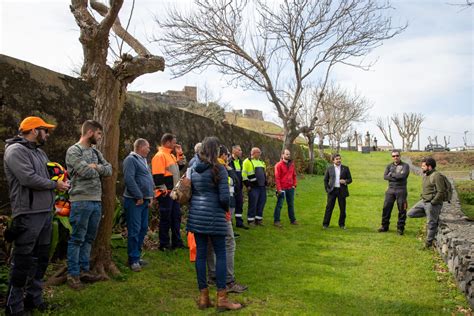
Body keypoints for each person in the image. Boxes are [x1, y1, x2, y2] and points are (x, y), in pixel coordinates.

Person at [4, 116, 70, 315]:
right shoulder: (15, 151)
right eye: (45, 130)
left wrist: (62, 179)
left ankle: (34, 299)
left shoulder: (40, 153)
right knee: (23, 260)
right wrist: (54, 184)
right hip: (27, 214)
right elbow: (27, 178)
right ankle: (13, 307)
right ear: (34, 131)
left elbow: (50, 174)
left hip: (45, 213)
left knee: (41, 259)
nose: (47, 134)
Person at [187, 137, 242, 311]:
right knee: (221, 254)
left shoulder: (194, 169)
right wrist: (225, 210)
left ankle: (203, 297)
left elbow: (191, 193)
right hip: (215, 216)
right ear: (215, 151)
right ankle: (222, 297)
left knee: (201, 256)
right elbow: (225, 197)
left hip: (197, 216)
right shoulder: (219, 168)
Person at [65, 120, 112, 290]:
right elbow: (84, 171)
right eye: (99, 134)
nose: (100, 137)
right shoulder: (74, 151)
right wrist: (95, 168)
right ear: (90, 132)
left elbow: (109, 170)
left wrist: (95, 167)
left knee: (89, 238)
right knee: (77, 238)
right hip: (80, 200)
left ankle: (84, 271)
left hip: (96, 201)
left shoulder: (95, 152)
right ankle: (73, 274)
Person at [207, 145, 248, 294]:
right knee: (228, 243)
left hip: (204, 212)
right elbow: (229, 188)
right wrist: (226, 211)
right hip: (220, 211)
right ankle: (228, 281)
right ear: (222, 155)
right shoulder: (221, 168)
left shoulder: (198, 166)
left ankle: (212, 276)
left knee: (210, 243)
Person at [123, 138, 154, 272]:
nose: (149, 149)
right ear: (140, 147)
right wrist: (139, 196)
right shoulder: (131, 160)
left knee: (142, 229)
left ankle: (137, 255)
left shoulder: (143, 160)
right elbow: (129, 179)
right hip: (134, 200)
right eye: (147, 147)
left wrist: (150, 196)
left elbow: (148, 178)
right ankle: (133, 259)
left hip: (144, 201)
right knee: (134, 230)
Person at [151, 133, 185, 251]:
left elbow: (180, 166)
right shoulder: (160, 156)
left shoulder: (170, 155)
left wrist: (179, 153)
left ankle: (177, 242)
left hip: (173, 193)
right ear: (167, 142)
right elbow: (157, 176)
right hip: (166, 194)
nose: (175, 144)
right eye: (174, 142)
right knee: (166, 219)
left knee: (176, 217)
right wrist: (163, 191)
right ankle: (164, 244)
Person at [407, 157, 447, 248]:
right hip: (424, 201)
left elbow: (441, 191)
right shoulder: (426, 174)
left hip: (431, 203)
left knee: (431, 224)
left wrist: (433, 202)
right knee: (410, 214)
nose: (421, 168)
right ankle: (433, 216)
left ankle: (428, 244)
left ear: (429, 167)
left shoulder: (436, 176)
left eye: (423, 166)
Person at [378, 150, 410, 235]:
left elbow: (403, 176)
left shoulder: (405, 166)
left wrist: (391, 175)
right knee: (386, 208)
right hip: (390, 190)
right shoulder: (389, 166)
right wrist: (396, 176)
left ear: (400, 156)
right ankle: (384, 226)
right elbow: (385, 177)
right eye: (393, 156)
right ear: (392, 157)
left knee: (402, 209)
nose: (395, 157)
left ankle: (400, 228)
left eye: (397, 155)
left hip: (401, 190)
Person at [322, 153, 352, 229]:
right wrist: (327, 189)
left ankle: (342, 224)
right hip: (332, 191)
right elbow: (325, 180)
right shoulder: (329, 168)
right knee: (329, 208)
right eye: (337, 159)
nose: (339, 160)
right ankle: (325, 224)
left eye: (339, 159)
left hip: (342, 191)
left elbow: (350, 179)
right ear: (333, 160)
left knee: (342, 209)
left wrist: (345, 181)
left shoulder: (345, 168)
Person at [242, 147, 267, 226]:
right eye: (258, 152)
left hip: (262, 186)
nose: (260, 154)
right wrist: (248, 185)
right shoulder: (247, 161)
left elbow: (264, 173)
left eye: (260, 152)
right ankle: (250, 220)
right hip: (253, 187)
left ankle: (258, 219)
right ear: (253, 153)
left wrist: (265, 181)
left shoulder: (261, 162)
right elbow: (244, 175)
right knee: (253, 203)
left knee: (261, 202)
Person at [273, 149, 298, 228]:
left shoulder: (292, 165)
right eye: (287, 154)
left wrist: (294, 185)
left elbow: (294, 175)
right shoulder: (278, 165)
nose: (288, 156)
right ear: (282, 155)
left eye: (289, 154)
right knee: (279, 204)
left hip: (290, 188)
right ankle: (276, 220)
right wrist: (279, 189)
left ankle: (293, 220)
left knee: (291, 204)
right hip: (282, 188)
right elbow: (277, 178)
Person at [229, 145, 247, 229]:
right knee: (231, 205)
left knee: (239, 204)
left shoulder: (240, 162)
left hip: (239, 188)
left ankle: (239, 222)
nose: (241, 151)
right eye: (239, 150)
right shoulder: (229, 161)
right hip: (231, 188)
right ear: (234, 151)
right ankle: (230, 223)